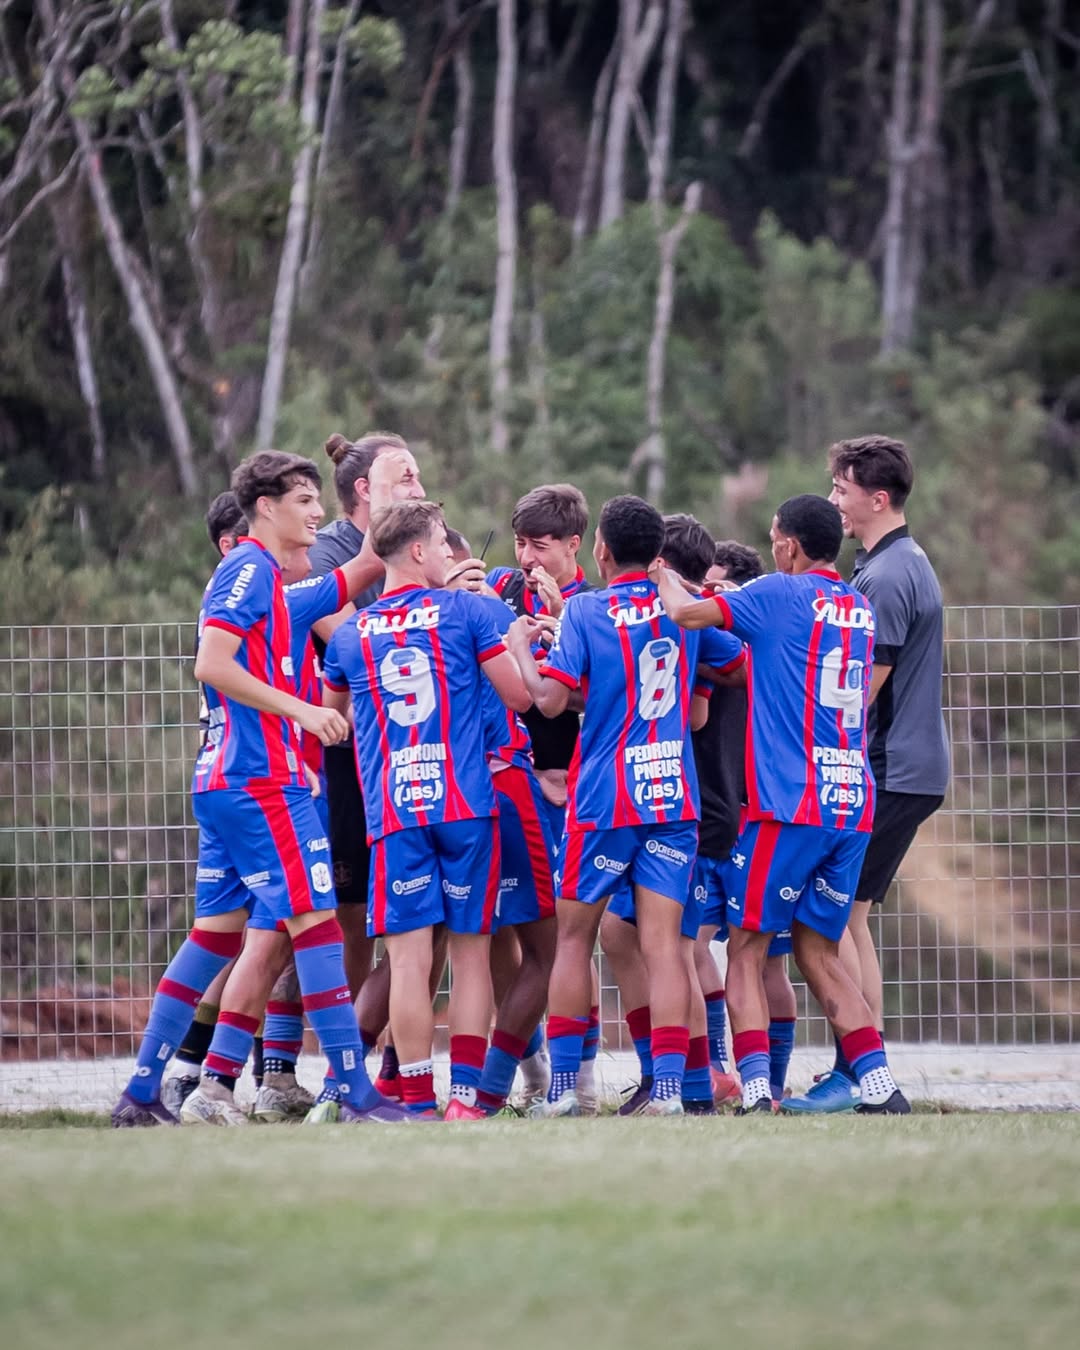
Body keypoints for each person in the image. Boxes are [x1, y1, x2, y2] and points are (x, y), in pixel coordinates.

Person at [111, 450, 408, 1127]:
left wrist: (388, 494)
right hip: (260, 784)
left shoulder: (280, 590)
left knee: (216, 937)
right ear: (266, 508)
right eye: (305, 499)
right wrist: (302, 712)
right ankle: (358, 1095)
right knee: (317, 926)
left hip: (228, 783)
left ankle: (142, 1093)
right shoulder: (247, 568)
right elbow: (210, 664)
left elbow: (363, 569)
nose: (317, 511)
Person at [654, 494, 911, 1115]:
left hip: (789, 806)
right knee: (818, 951)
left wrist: (657, 569)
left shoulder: (774, 594)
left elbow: (687, 612)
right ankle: (879, 1087)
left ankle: (758, 1090)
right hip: (849, 802)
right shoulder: (857, 606)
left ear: (790, 546)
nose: (772, 549)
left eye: (774, 538)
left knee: (744, 947)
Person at [507, 495, 744, 1117]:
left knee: (572, 941)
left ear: (602, 551)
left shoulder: (586, 610)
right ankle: (668, 1088)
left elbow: (551, 702)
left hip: (604, 799)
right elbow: (735, 667)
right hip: (672, 797)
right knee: (666, 946)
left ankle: (563, 1090)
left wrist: (519, 651)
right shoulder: (685, 614)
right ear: (657, 554)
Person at [321, 500, 531, 1119]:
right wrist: (514, 637)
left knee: (408, 961)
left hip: (394, 810)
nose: (449, 554)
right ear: (417, 551)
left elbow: (335, 717)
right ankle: (464, 1100)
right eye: (442, 544)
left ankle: (412, 1099)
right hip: (466, 805)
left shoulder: (353, 634)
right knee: (469, 955)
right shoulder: (467, 609)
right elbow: (518, 697)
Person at [785, 435, 949, 1112]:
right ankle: (861, 1070)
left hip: (890, 768)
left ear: (877, 499)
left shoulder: (883, 578)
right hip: (910, 767)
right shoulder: (902, 562)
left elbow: (855, 693)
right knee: (854, 918)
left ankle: (859, 1076)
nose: (834, 500)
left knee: (838, 923)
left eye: (842, 489)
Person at [601, 514, 748, 1116]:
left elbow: (695, 716)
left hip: (697, 804)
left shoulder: (691, 619)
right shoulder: (705, 617)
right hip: (701, 801)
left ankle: (699, 1074)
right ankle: (692, 1074)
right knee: (653, 939)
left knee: (678, 946)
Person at [486, 484, 594, 1106]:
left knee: (571, 936)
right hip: (511, 787)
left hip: (573, 794)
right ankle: (528, 1071)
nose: (528, 557)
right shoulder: (500, 588)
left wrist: (570, 771)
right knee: (508, 934)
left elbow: (604, 699)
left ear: (574, 546)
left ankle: (573, 1078)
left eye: (542, 546)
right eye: (521, 543)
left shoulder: (592, 603)